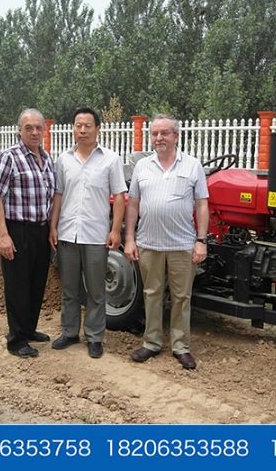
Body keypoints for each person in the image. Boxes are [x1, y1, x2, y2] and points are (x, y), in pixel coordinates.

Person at [124, 114, 209, 370]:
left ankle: (181, 347)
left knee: (182, 297)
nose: (159, 138)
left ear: (176, 136)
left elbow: (202, 205)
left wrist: (201, 241)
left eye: (164, 133)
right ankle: (151, 342)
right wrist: (130, 238)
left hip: (182, 244)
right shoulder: (142, 166)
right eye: (154, 134)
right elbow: (133, 204)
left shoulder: (192, 165)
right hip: (149, 243)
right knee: (151, 294)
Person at [49, 107, 127, 359]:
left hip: (96, 235)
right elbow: (58, 195)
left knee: (96, 291)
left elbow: (119, 196)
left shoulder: (110, 160)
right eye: (78, 125)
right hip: (67, 234)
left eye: (88, 125)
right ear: (73, 128)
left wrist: (115, 230)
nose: (82, 130)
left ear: (97, 129)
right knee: (69, 289)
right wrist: (53, 226)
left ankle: (94, 337)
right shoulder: (63, 160)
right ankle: (69, 332)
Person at [0, 108, 55, 359]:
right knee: (18, 286)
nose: (34, 132)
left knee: (36, 284)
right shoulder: (10, 157)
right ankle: (16, 340)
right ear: (20, 131)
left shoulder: (46, 159)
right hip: (18, 230)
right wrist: (3, 236)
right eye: (29, 128)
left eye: (38, 127)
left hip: (41, 230)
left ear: (44, 130)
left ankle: (28, 329)